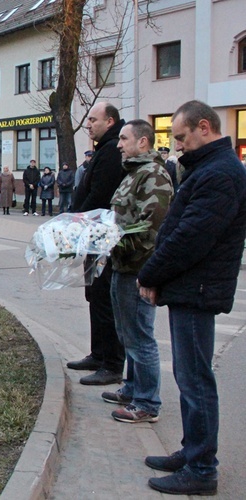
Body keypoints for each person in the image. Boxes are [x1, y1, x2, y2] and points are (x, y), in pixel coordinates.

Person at [138, 101, 246, 496]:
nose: (177, 146)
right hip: (191, 287)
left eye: (181, 138)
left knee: (196, 380)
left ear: (205, 127)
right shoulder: (210, 169)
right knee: (189, 377)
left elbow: (191, 236)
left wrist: (150, 273)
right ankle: (192, 451)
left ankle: (202, 468)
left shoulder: (220, 173)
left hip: (197, 289)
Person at [102, 119, 173, 425]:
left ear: (143, 142)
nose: (119, 144)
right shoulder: (135, 173)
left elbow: (150, 229)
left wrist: (111, 240)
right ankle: (133, 389)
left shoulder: (154, 175)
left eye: (124, 138)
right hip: (122, 265)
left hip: (137, 269)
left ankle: (146, 402)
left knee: (140, 336)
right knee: (127, 334)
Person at [68, 101, 126, 386]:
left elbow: (100, 197)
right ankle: (98, 353)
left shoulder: (112, 152)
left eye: (93, 119)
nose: (88, 124)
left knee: (105, 298)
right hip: (94, 237)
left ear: (110, 122)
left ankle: (112, 364)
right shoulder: (104, 149)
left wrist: (76, 221)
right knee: (94, 296)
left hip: (103, 239)